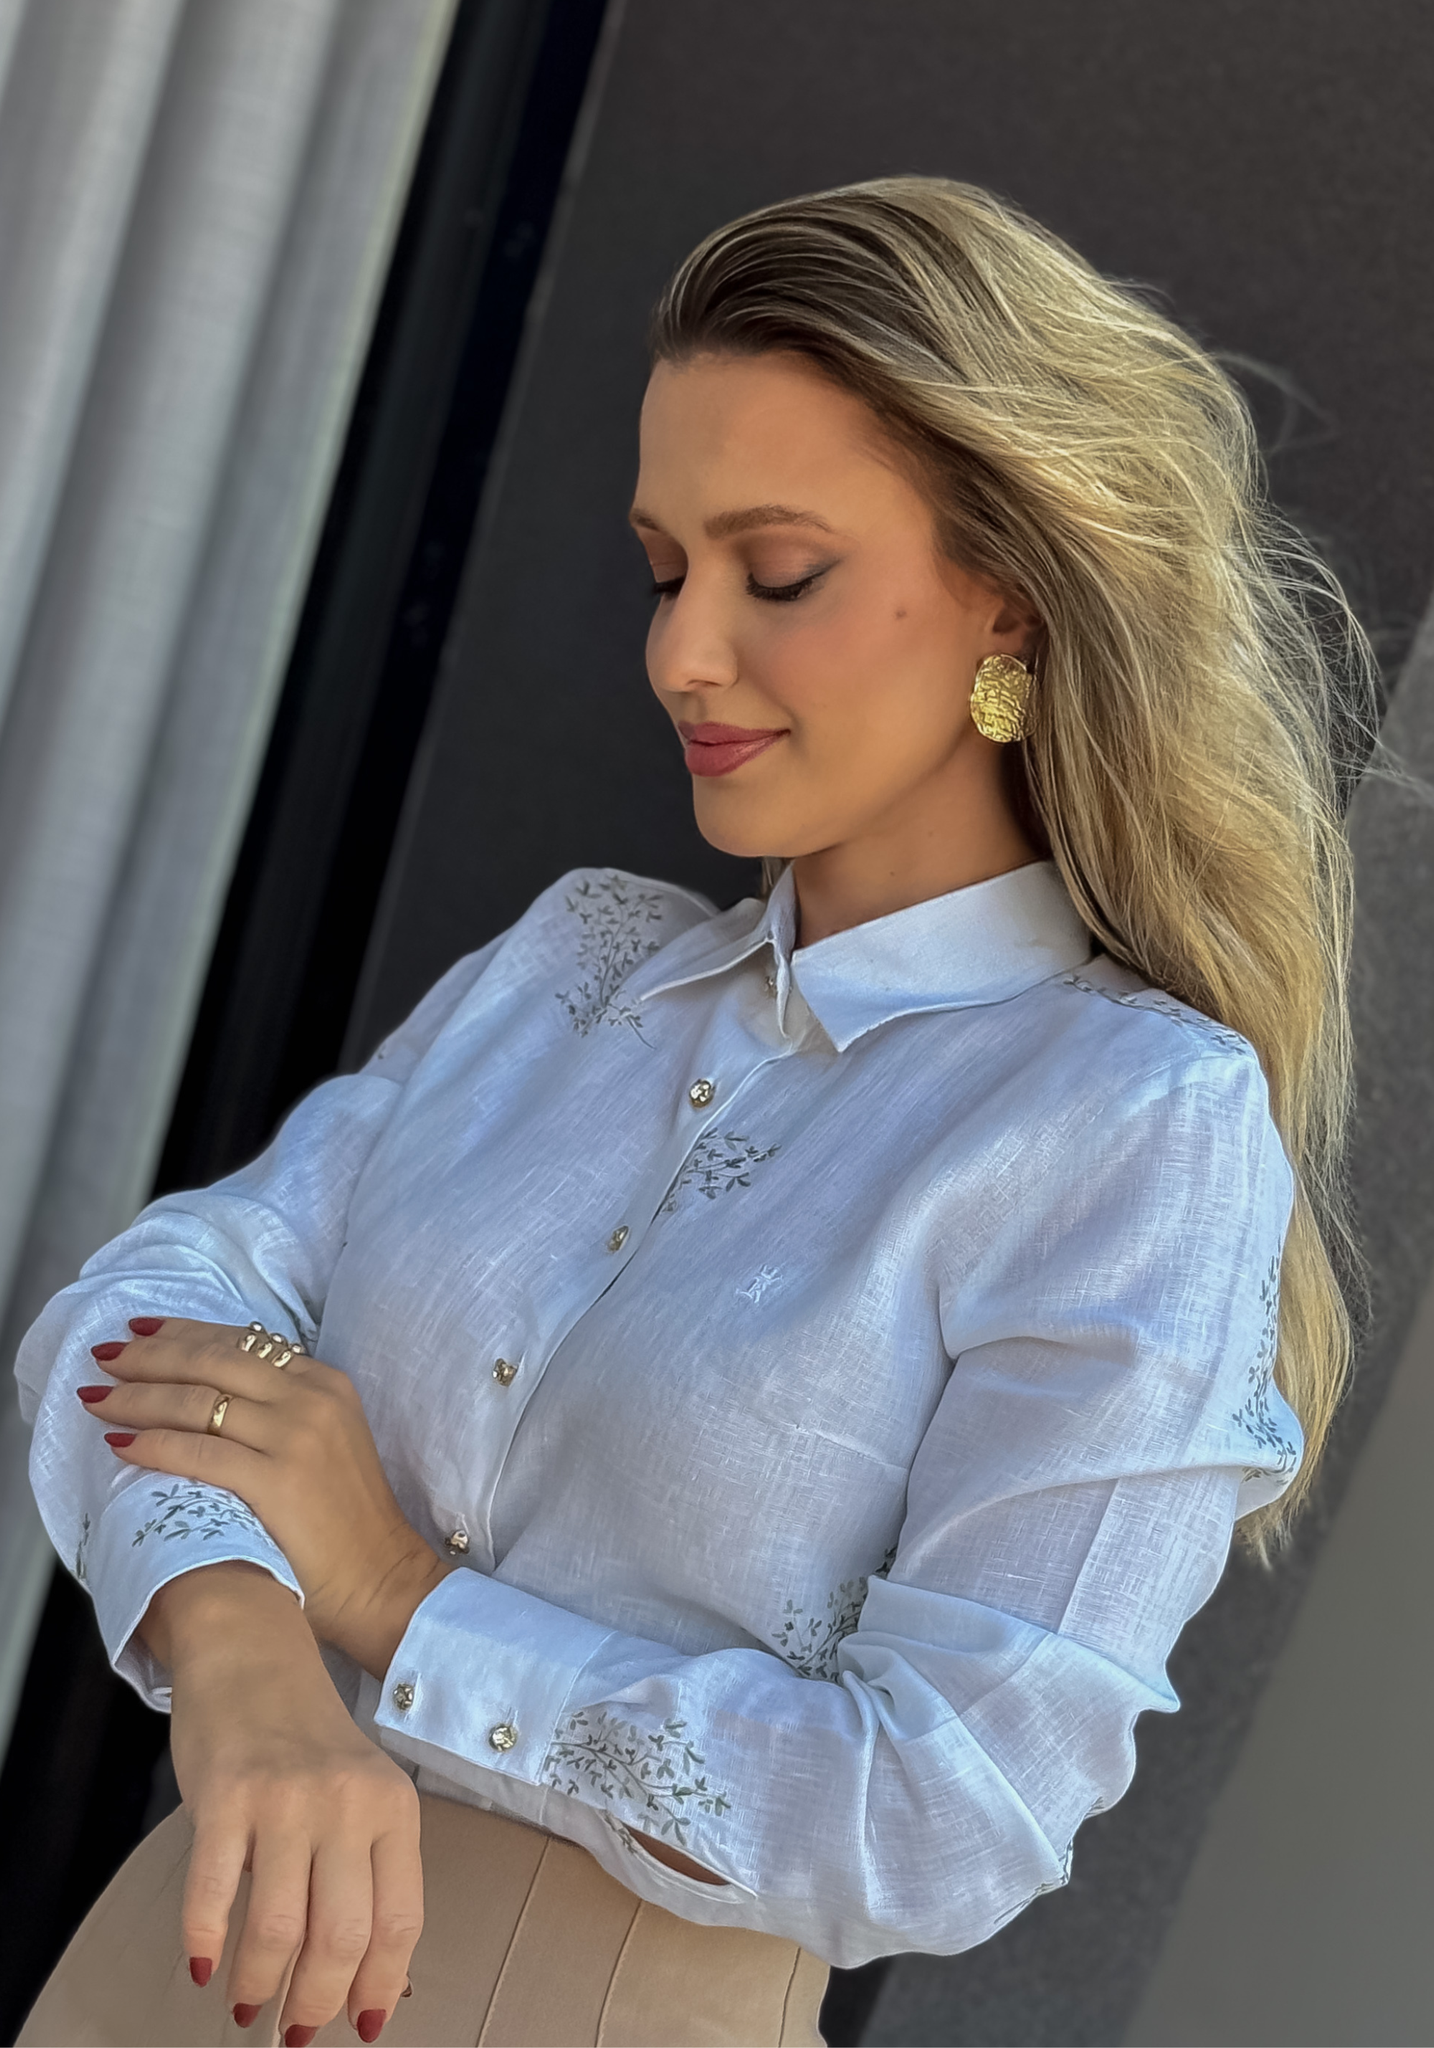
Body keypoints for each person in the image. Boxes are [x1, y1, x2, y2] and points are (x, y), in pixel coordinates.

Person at [15, 176, 1370, 2048]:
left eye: (776, 572)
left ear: (1011, 593)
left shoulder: (1127, 1121)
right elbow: (137, 1311)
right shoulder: (574, 966)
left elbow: (944, 1814)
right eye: (665, 570)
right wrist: (246, 1663)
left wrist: (397, 1599)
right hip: (177, 1964)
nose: (678, 652)